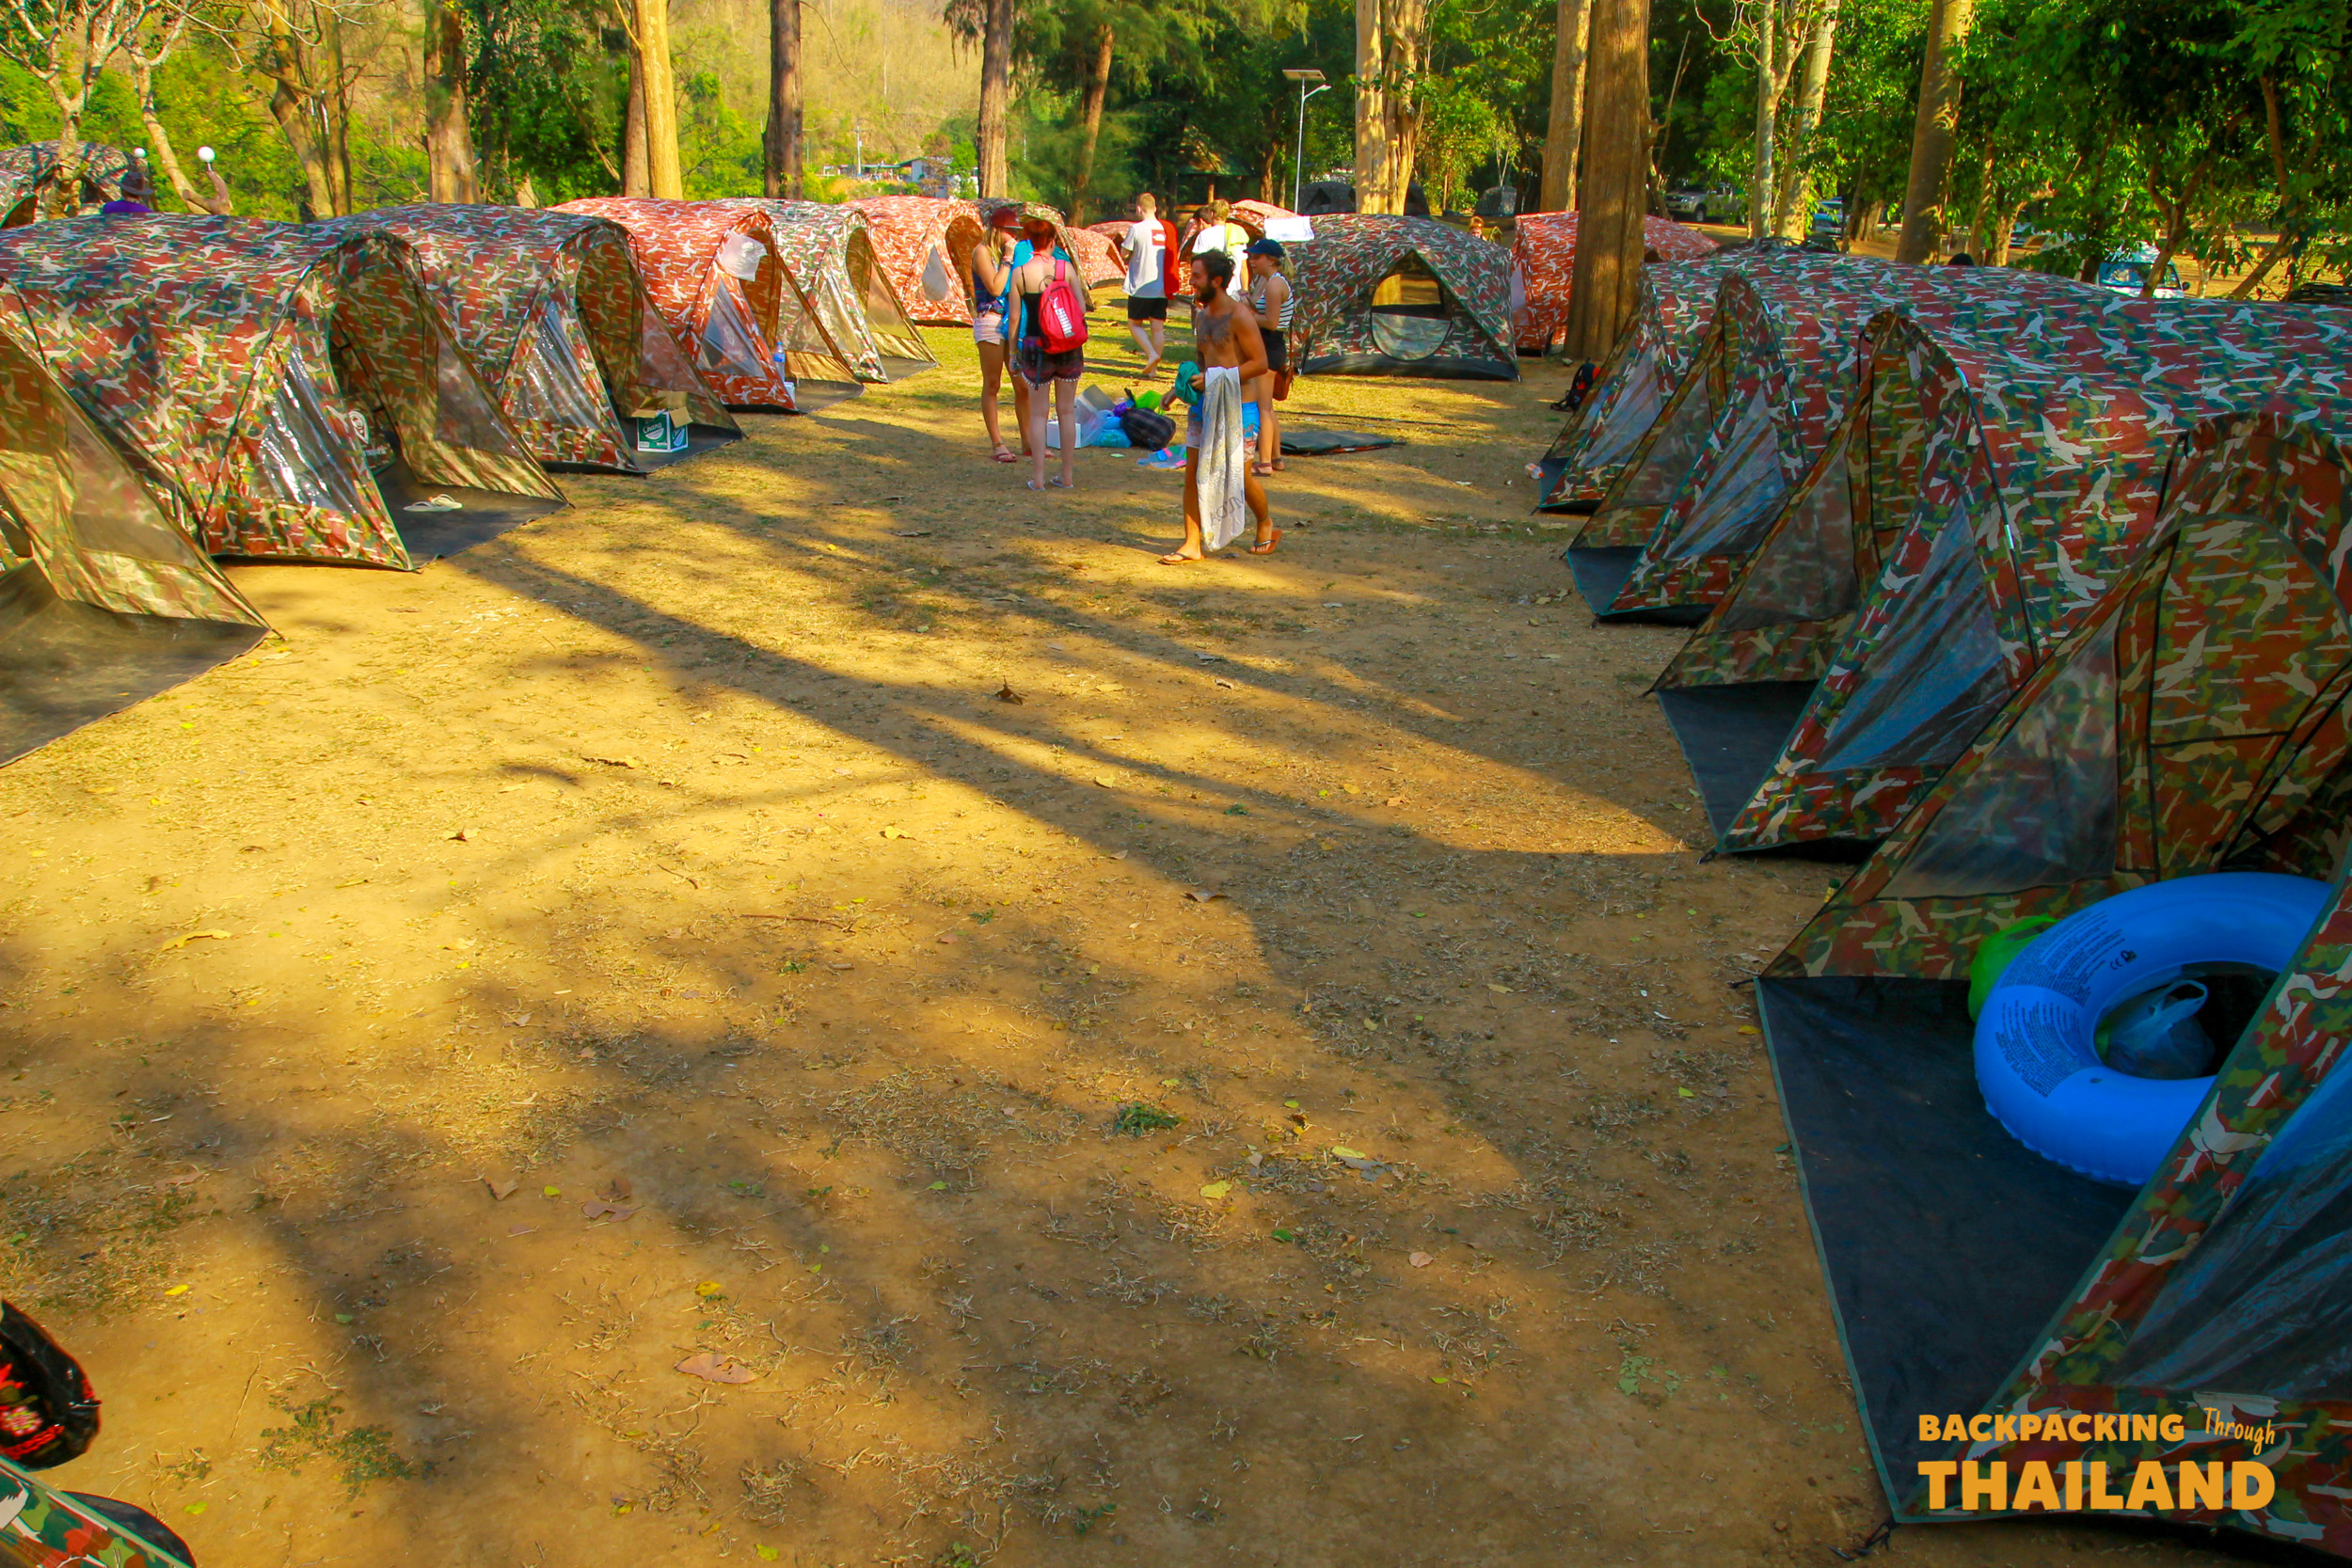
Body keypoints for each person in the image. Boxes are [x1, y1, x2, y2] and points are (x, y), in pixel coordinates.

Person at [1163, 251, 1276, 562]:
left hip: (1240, 408)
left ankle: (1265, 521)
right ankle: (1192, 543)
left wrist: (1217, 379)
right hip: (1204, 406)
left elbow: (1260, 363)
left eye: (1196, 276)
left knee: (1239, 477)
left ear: (1215, 280)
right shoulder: (1201, 317)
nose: (1191, 281)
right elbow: (1203, 361)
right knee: (1193, 474)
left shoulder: (1239, 316)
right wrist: (1179, 387)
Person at [1009, 210, 1090, 491]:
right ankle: (1066, 476)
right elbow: (1080, 309)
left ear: (1030, 242)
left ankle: (1039, 479)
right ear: (1052, 241)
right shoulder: (1064, 270)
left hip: (1035, 346)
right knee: (1066, 412)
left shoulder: (1019, 274)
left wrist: (1012, 353)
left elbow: (1016, 319)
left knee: (1037, 415)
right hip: (1067, 345)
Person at [970, 205, 1026, 462]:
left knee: (1022, 384)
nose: (1013, 237)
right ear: (996, 230)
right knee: (993, 384)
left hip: (1011, 322)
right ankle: (997, 443)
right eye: (1009, 231)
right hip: (990, 321)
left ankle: (1028, 440)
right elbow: (994, 287)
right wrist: (1007, 259)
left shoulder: (1014, 253)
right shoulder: (982, 252)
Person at [1244, 238, 1292, 477]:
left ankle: (1264, 463)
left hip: (1270, 345)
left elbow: (1271, 322)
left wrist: (1247, 314)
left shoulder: (1274, 285)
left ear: (1271, 260)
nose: (1251, 261)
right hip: (1269, 345)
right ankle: (1276, 457)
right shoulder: (1269, 282)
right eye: (1251, 256)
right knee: (1268, 407)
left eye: (1256, 257)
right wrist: (1249, 302)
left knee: (1262, 407)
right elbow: (1264, 313)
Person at [1121, 192, 1179, 377]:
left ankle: (1151, 354)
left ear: (1139, 209)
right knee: (1157, 328)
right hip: (1162, 286)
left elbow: (1123, 253)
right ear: (1155, 208)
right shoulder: (1167, 229)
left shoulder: (1136, 229)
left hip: (1141, 286)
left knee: (1134, 324)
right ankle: (1153, 370)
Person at [1191, 199, 1250, 295]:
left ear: (1212, 213)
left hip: (1212, 291)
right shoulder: (1238, 234)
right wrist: (1245, 290)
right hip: (1235, 291)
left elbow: (1199, 266)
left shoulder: (1205, 235)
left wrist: (1199, 291)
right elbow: (1244, 267)